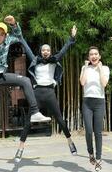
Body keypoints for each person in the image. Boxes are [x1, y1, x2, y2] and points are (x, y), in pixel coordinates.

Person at [13, 25, 78, 163]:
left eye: (48, 50)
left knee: (60, 119)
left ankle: (70, 141)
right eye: (43, 50)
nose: (46, 52)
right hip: (36, 93)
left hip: (50, 93)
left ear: (50, 51)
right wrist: (19, 35)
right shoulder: (35, 59)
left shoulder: (55, 60)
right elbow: (25, 45)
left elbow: (65, 49)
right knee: (28, 122)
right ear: (40, 51)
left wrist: (71, 38)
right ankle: (20, 148)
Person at [79, 46, 110, 171]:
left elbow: (104, 83)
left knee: (98, 132)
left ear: (99, 56)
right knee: (88, 130)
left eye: (96, 54)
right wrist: (86, 67)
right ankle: (90, 153)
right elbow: (82, 82)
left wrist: (101, 68)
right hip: (87, 102)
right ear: (88, 57)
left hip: (99, 102)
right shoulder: (84, 68)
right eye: (91, 54)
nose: (93, 56)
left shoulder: (105, 68)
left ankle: (98, 159)